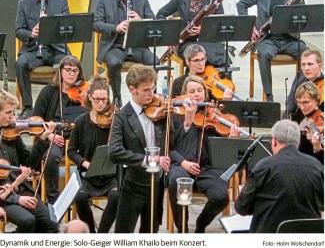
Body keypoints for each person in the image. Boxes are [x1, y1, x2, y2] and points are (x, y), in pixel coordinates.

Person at [169, 75, 240, 233]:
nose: (196, 94)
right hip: (181, 166)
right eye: (192, 91)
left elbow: (224, 153)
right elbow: (168, 147)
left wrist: (231, 139)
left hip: (207, 169)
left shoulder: (214, 115)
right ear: (185, 94)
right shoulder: (175, 114)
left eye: (200, 90)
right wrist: (188, 121)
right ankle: (182, 228)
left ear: (206, 94)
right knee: (176, 181)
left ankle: (201, 224)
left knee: (221, 196)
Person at [109, 64, 170, 233]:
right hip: (133, 184)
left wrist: (187, 119)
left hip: (156, 182)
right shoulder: (121, 116)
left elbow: (174, 137)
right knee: (124, 233)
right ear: (132, 89)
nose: (152, 94)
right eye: (146, 90)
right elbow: (114, 152)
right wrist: (147, 160)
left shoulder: (160, 110)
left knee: (151, 232)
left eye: (154, 88)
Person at [236, 0, 308, 102]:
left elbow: (303, 20)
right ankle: (269, 96)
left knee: (307, 54)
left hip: (289, 40)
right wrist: (251, 27)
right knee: (264, 53)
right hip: (267, 40)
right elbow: (241, 4)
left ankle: (299, 93)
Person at [235, 119, 324, 233]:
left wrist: (242, 194)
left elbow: (242, 208)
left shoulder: (264, 166)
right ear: (298, 142)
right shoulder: (316, 166)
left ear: (274, 141)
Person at [94, 0, 159, 108]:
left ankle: (150, 97)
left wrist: (140, 20)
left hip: (136, 45)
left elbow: (153, 21)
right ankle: (117, 98)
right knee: (113, 63)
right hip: (115, 46)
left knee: (155, 61)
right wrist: (115, 28)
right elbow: (96, 23)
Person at [0, 89, 58, 233]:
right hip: (5, 197)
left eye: (13, 112)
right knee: (28, 222)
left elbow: (28, 163)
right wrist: (16, 199)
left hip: (22, 190)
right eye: (8, 113)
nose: (13, 118)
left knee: (51, 226)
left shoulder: (11, 134)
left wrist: (43, 137)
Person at [16, 0, 70, 118]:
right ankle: (27, 107)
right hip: (33, 49)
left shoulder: (61, 2)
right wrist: (31, 33)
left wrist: (51, 28)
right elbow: (18, 30)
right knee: (20, 64)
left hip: (55, 49)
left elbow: (67, 28)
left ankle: (64, 105)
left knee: (71, 63)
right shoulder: (23, 4)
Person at [33, 55, 87, 204]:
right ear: (61, 71)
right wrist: (49, 135)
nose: (71, 73)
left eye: (75, 70)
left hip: (78, 139)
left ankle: (87, 193)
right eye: (68, 70)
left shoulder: (83, 93)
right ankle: (53, 200)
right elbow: (36, 119)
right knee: (50, 157)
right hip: (56, 137)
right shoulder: (48, 91)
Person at [68, 75, 118, 233]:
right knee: (80, 197)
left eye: (104, 99)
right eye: (97, 99)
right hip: (87, 174)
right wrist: (85, 163)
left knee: (116, 196)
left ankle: (101, 235)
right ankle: (91, 233)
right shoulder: (81, 121)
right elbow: (71, 151)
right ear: (89, 97)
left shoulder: (115, 120)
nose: (101, 103)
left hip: (110, 175)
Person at [156, 0, 227, 67]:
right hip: (186, 42)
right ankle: (193, 81)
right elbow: (160, 14)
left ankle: (220, 80)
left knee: (222, 54)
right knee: (196, 53)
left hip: (208, 41)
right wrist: (169, 37)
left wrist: (203, 30)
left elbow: (220, 24)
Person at [288, 49, 323, 122]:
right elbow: (290, 106)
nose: (306, 68)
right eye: (303, 64)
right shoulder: (299, 78)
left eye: (310, 64)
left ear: (320, 66)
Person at [295, 82, 323, 164]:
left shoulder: (319, 122)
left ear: (317, 101)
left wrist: (317, 148)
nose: (302, 107)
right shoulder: (306, 120)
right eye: (299, 102)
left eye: (306, 102)